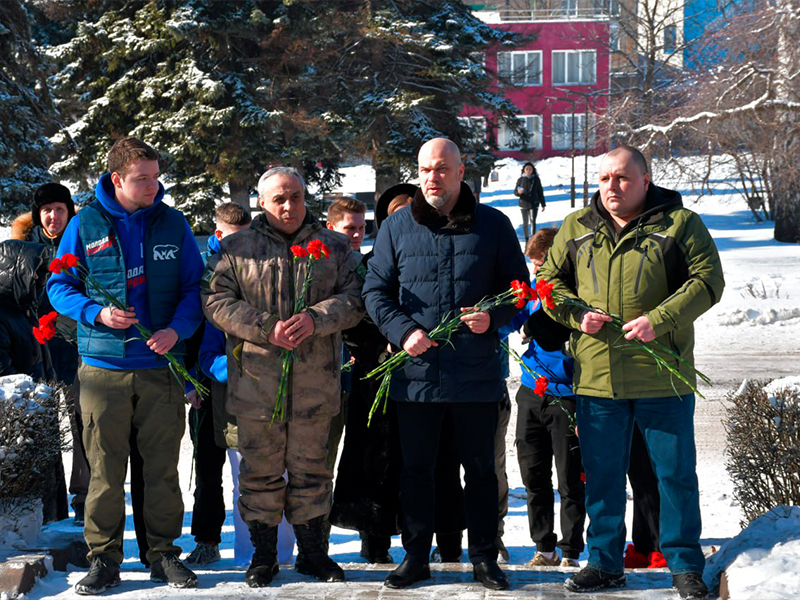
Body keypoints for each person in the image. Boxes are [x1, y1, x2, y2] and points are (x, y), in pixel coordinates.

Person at [538, 146, 724, 600]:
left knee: (674, 474)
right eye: (604, 179)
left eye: (621, 178)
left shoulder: (680, 224)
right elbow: (549, 282)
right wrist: (576, 315)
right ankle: (604, 562)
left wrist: (660, 319)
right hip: (598, 377)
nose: (611, 187)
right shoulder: (576, 228)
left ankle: (683, 563)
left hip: (662, 376)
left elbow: (707, 281)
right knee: (601, 475)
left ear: (645, 180)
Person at [363, 138, 528, 591]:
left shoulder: (493, 225)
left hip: (475, 374)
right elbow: (375, 293)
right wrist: (403, 332)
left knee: (479, 471)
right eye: (424, 169)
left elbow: (519, 291)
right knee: (415, 471)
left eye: (441, 169)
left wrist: (493, 318)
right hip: (415, 376)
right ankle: (416, 556)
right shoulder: (397, 227)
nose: (432, 177)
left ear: (460, 172)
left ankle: (483, 558)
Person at [48, 137, 204, 595]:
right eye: (143, 179)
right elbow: (59, 285)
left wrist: (177, 330)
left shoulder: (173, 223)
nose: (153, 186)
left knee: (161, 470)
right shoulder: (85, 223)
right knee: (104, 470)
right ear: (116, 179)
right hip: (102, 369)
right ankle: (104, 559)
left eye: (157, 177)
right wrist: (96, 313)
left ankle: (163, 555)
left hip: (160, 367)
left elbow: (195, 288)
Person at [202, 166, 365, 587]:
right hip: (256, 385)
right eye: (279, 198)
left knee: (313, 471)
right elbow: (215, 301)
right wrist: (264, 326)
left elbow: (355, 298)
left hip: (314, 384)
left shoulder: (333, 247)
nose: (288, 205)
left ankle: (313, 553)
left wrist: (316, 319)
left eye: (295, 196)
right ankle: (263, 555)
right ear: (261, 202)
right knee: (259, 474)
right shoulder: (236, 249)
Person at [511, 228, 585, 568]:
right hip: (531, 390)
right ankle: (544, 547)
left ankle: (571, 549)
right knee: (533, 475)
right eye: (534, 265)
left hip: (566, 395)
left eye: (541, 263)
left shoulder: (574, 295)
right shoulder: (532, 295)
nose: (537, 270)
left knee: (570, 477)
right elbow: (511, 322)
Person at [11, 182, 77, 524]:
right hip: (34, 349)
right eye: (47, 210)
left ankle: (84, 497)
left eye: (60, 209)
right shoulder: (19, 250)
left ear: (70, 211)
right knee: (41, 427)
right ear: (38, 214)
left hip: (76, 346)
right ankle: (48, 503)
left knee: (83, 425)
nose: (53, 216)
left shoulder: (81, 243)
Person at [514, 161, 546, 242]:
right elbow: (515, 192)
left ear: (533, 170)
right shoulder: (520, 180)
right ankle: (526, 239)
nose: (528, 170)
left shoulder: (536, 179)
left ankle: (532, 239)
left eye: (530, 169)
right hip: (523, 203)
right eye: (527, 169)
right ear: (524, 170)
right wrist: (518, 193)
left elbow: (540, 192)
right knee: (525, 222)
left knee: (532, 221)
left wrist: (543, 203)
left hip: (534, 203)